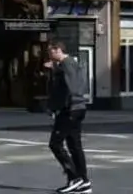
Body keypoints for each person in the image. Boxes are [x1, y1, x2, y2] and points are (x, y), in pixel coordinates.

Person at [46, 41, 90, 194]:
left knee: (55, 144)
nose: (49, 55)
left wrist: (55, 107)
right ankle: (84, 182)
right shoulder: (72, 63)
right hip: (78, 108)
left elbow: (70, 88)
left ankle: (74, 177)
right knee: (74, 146)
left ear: (58, 50)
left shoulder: (66, 64)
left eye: (51, 52)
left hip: (69, 109)